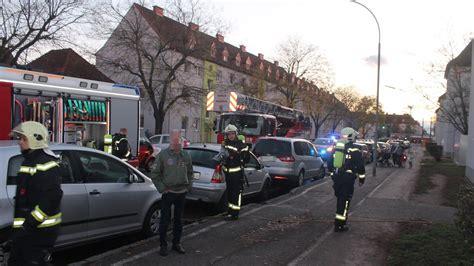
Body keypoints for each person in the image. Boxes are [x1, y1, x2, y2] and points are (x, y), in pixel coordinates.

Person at [8, 121, 63, 265]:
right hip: (28, 232)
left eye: (23, 139)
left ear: (35, 139)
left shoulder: (45, 164)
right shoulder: (29, 161)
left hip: (40, 232)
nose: (19, 142)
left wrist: (29, 225)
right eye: (19, 138)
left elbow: (52, 198)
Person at [150, 130, 193, 257]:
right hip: (168, 192)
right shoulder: (163, 155)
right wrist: (162, 188)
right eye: (174, 139)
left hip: (182, 192)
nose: (176, 141)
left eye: (178, 139)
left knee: (179, 220)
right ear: (170, 140)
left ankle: (177, 243)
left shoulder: (186, 155)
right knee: (164, 220)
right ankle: (163, 245)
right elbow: (155, 174)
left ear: (181, 140)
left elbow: (190, 172)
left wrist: (189, 185)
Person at [327, 127, 366, 232]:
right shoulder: (354, 150)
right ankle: (340, 225)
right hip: (347, 179)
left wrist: (332, 175)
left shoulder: (336, 148)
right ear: (351, 136)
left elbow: (329, 163)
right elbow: (360, 166)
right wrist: (362, 179)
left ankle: (338, 222)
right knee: (345, 202)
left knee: (340, 199)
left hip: (337, 178)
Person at [219, 124, 249, 221]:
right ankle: (230, 211)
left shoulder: (240, 144)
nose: (230, 136)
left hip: (237, 174)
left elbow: (246, 159)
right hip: (228, 173)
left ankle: (235, 214)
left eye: (232, 134)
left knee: (236, 193)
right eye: (229, 134)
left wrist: (243, 152)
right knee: (229, 193)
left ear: (235, 134)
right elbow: (222, 156)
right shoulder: (225, 143)